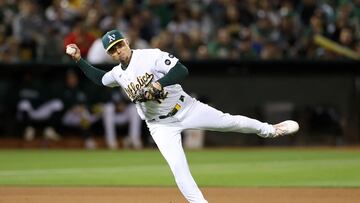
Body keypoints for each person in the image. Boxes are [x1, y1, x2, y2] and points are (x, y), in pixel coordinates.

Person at [65, 30, 299, 203]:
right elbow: (99, 78)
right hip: (160, 126)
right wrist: (79, 60)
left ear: (126, 41)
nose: (118, 51)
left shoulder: (150, 56)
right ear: (110, 54)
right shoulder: (117, 74)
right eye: (113, 50)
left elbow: (181, 70)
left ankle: (270, 130)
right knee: (179, 169)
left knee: (230, 121)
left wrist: (159, 83)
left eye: (119, 45)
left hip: (186, 108)